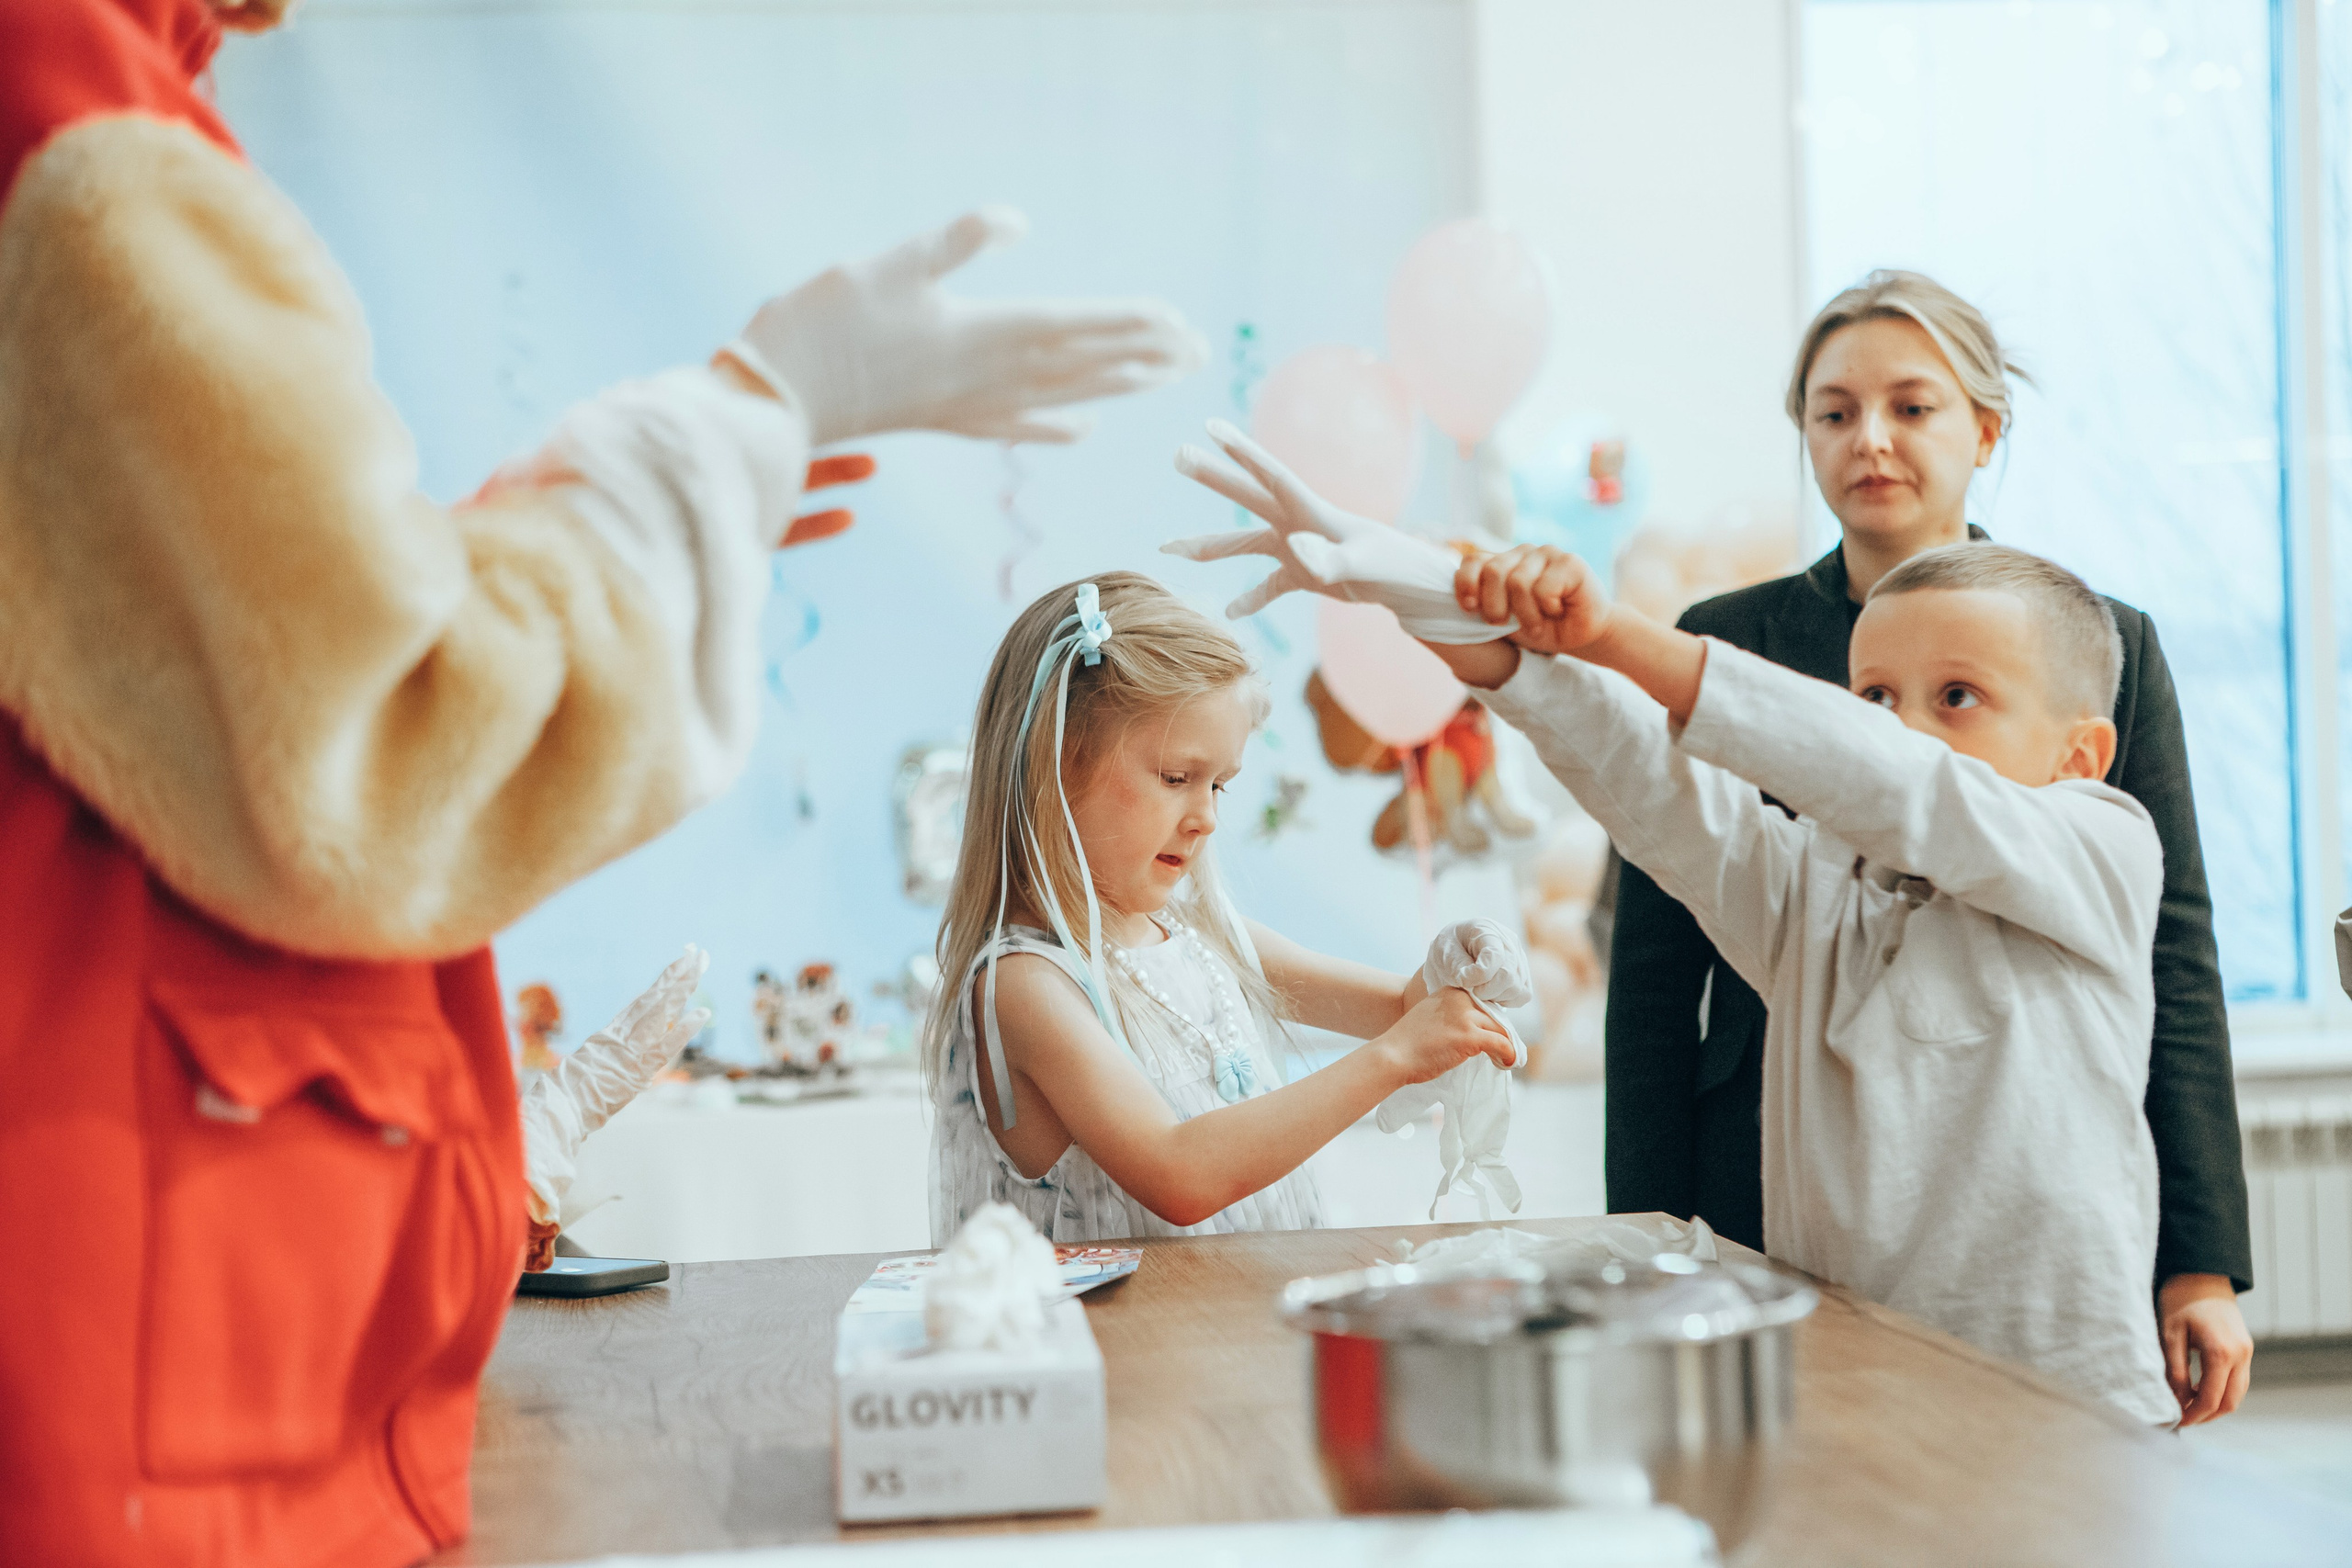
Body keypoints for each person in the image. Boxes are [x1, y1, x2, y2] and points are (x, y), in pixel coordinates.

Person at [0, 2, 1205, 1563]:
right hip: (155, 1405)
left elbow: (217, 669)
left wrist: (619, 513)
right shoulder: (72, 128)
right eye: (1180, 772)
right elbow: (368, 742)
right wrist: (711, 448)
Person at [1600, 271, 2252, 1425]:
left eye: (1911, 407)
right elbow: (1653, 975)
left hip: (2029, 1188)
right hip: (1766, 1154)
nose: (1871, 440)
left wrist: (2200, 1261)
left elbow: (2173, 953)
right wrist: (1644, 1233)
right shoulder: (1721, 640)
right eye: (1834, 411)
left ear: (1984, 429)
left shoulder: (2100, 641)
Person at [1422, 538, 2180, 1423]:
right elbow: (1650, 783)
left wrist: (1613, 636)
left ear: (2080, 756)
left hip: (2069, 1409)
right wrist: (1482, 645)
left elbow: (1903, 782)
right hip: (1854, 1389)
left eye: (1957, 697)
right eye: (1874, 699)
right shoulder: (1818, 889)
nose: (1900, 729)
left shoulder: (2105, 847)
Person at [924, 572, 1527, 1243]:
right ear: (1057, 765)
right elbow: (1179, 1174)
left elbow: (1403, 1009)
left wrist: (1456, 966)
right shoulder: (1025, 985)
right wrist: (1393, 1059)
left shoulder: (1206, 941)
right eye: (1176, 777)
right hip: (1137, 1319)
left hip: (1240, 1308)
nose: (1206, 817)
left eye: (1219, 785)